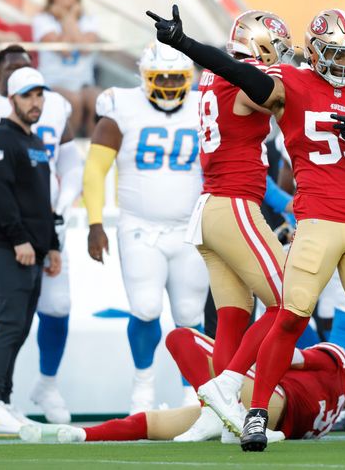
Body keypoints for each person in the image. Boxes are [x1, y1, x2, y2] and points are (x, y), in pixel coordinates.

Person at [147, 5, 345, 451]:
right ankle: (251, 410)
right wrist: (185, 44)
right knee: (288, 313)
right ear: (314, 53)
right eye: (336, 54)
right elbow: (242, 74)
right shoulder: (291, 84)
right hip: (313, 215)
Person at [83, 42, 209, 414]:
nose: (169, 85)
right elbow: (95, 169)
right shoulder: (122, 108)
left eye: (176, 78)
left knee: (189, 314)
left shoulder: (203, 107)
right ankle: (143, 391)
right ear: (144, 77)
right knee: (146, 307)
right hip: (140, 225)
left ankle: (196, 393)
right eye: (161, 78)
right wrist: (94, 221)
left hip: (189, 227)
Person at [186, 11, 294, 441]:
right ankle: (226, 386)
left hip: (212, 207)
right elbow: (281, 99)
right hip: (233, 207)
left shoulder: (213, 79)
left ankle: (219, 417)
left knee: (232, 315)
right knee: (291, 301)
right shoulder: (246, 79)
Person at [21, 333, 345, 445]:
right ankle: (84, 434)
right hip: (260, 417)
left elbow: (285, 353)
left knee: (180, 338)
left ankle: (216, 405)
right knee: (156, 423)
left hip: (260, 401)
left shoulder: (340, 361)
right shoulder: (335, 409)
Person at [0, 45, 83, 424]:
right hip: (4, 227)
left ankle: (45, 383)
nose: (20, 71)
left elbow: (70, 162)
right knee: (0, 317)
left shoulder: (55, 106)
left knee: (57, 307)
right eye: (11, 68)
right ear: (0, 78)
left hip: (47, 225)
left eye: (25, 67)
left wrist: (59, 211)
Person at [0, 67, 61, 433]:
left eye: (40, 95)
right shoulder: (1, 139)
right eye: (28, 96)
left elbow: (42, 199)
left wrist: (51, 245)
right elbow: (0, 194)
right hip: (4, 245)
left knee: (20, 326)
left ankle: (3, 401)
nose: (36, 102)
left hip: (33, 247)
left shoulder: (34, 141)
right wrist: (20, 239)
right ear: (12, 100)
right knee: (9, 323)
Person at [32, 0, 101, 136]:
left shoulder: (90, 19)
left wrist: (66, 17)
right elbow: (66, 50)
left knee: (102, 101)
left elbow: (85, 48)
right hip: (53, 83)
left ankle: (93, 150)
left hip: (83, 83)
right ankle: (71, 146)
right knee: (74, 101)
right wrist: (67, 17)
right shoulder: (42, 19)